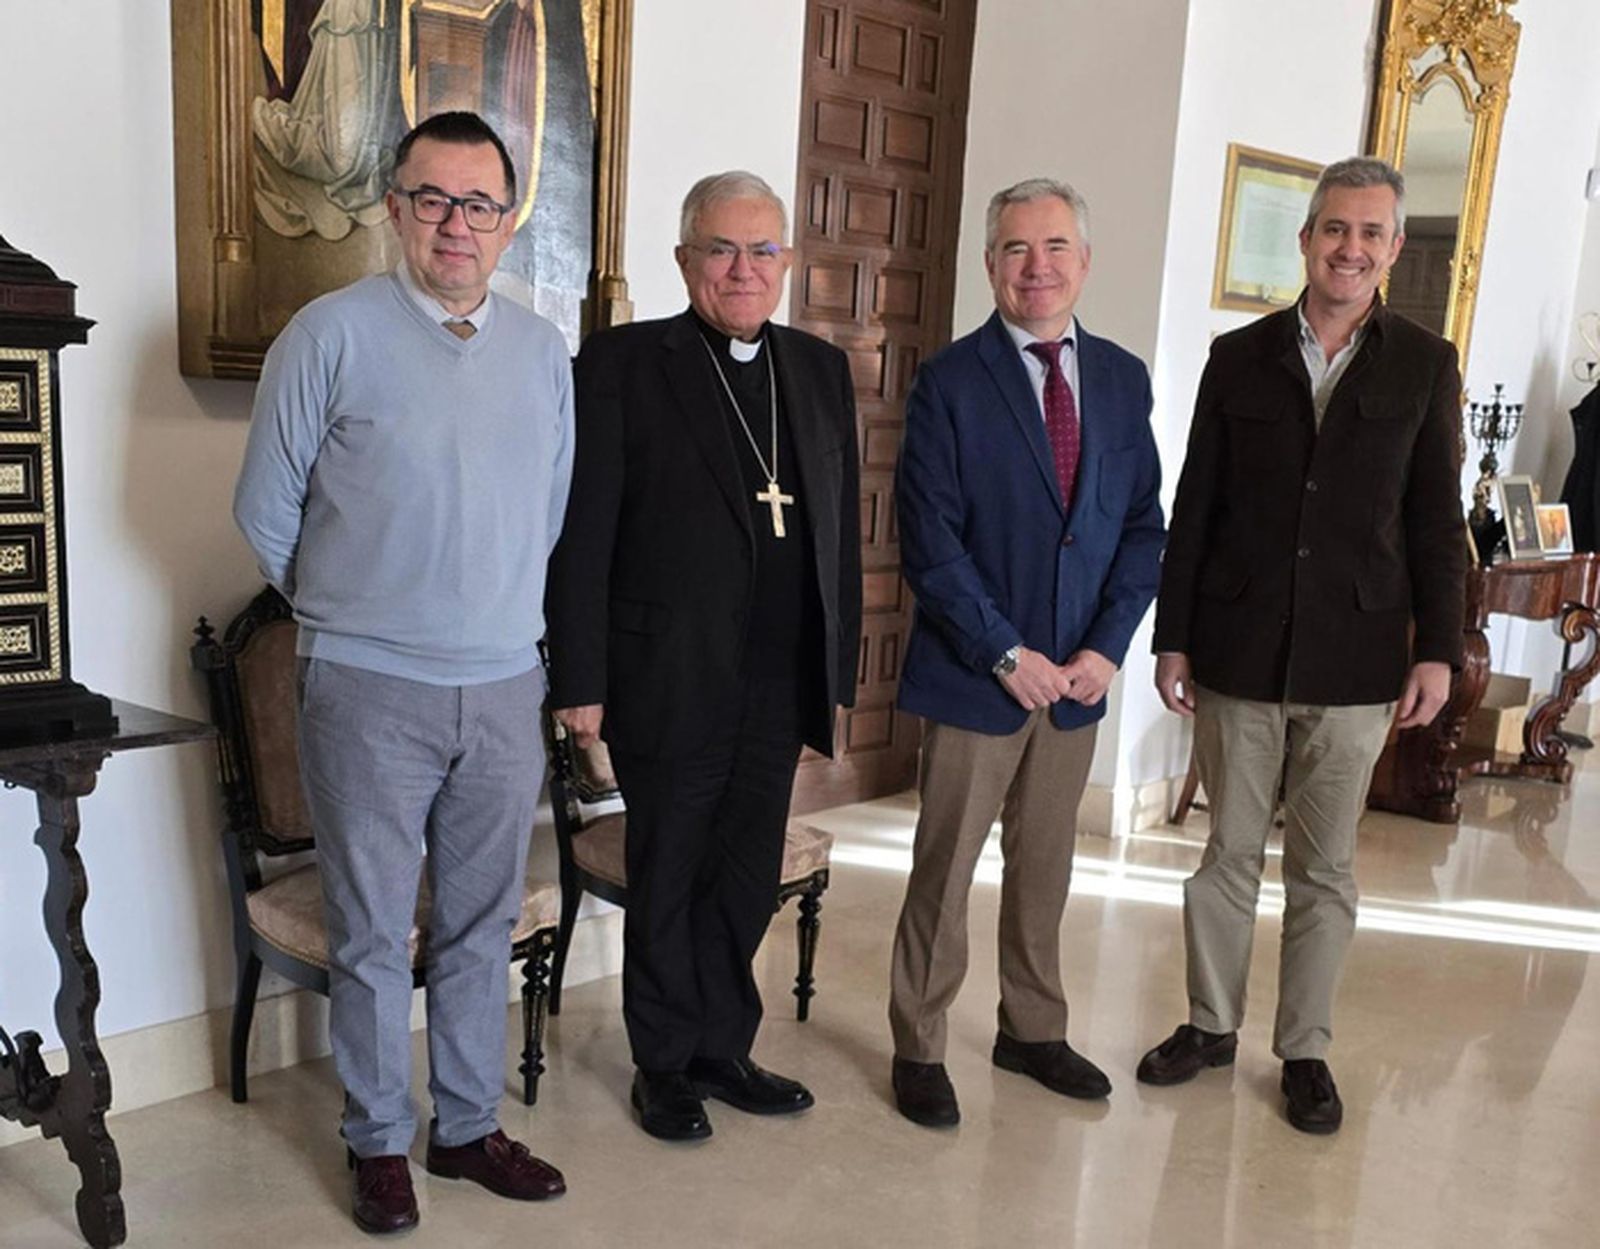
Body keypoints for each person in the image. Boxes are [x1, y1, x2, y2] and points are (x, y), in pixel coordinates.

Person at [234, 111, 571, 1233]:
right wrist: (358, 603)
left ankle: (466, 1125)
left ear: (508, 223)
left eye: (479, 203)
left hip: (505, 683)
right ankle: (378, 1137)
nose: (455, 223)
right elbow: (266, 510)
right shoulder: (328, 335)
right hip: (366, 683)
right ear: (393, 207)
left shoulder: (538, 353)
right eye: (432, 198)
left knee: (480, 922)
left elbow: (548, 511)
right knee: (375, 927)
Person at [1140, 156, 1467, 1135]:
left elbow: (1433, 521)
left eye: (1370, 234)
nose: (1350, 249)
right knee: (1226, 854)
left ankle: (1305, 1052)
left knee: (1324, 868)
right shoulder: (1235, 357)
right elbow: (1194, 506)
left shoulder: (1423, 364)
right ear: (1306, 238)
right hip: (1238, 646)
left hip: (1358, 659)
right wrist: (1175, 635)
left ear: (1393, 248)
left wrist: (1437, 650)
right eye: (1335, 229)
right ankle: (1207, 1024)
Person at [544, 171, 862, 1142]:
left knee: (742, 872)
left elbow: (839, 533)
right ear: (684, 260)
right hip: (667, 675)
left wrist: (834, 675)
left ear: (786, 263)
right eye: (721, 249)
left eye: (763, 249)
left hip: (775, 681)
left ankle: (726, 1044)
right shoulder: (624, 364)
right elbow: (583, 529)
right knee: (671, 869)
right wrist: (582, 680)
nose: (743, 268)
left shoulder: (816, 368)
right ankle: (663, 1062)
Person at [887, 178, 1165, 1127]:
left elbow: (1139, 525)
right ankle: (920, 1043)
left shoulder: (1124, 379)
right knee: (945, 869)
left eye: (1054, 247)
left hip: (1078, 682)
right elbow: (929, 539)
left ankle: (1032, 1029)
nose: (1036, 267)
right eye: (1015, 249)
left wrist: (1107, 648)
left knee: (1046, 867)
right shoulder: (950, 382)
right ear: (990, 265)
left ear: (1084, 261)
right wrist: (1007, 652)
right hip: (978, 680)